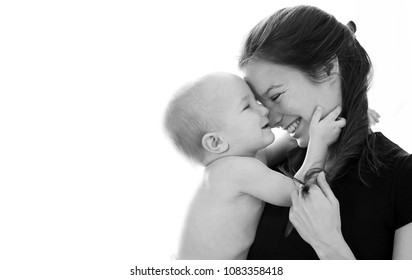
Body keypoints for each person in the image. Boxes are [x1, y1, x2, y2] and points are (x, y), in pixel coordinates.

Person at [239, 5, 412, 259]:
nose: (272, 118)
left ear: (329, 69)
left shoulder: (403, 179)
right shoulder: (265, 171)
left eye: (275, 95)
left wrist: (329, 244)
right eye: (261, 103)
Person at [163, 72, 345, 259]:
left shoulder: (245, 159)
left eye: (256, 101)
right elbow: (298, 192)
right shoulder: (234, 171)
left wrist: (334, 114)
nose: (264, 110)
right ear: (216, 142)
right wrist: (319, 141)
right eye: (247, 106)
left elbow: (291, 142)